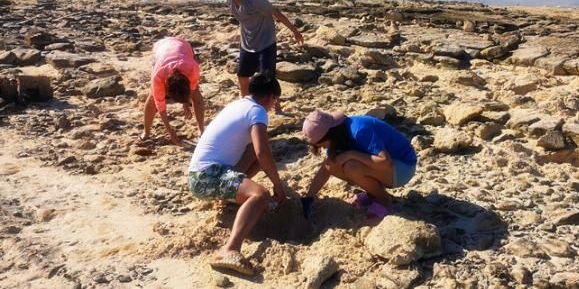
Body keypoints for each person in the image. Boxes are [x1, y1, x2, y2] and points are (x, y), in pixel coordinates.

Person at [187, 74, 287, 276]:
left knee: (252, 151)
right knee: (260, 195)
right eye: (274, 100)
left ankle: (231, 198)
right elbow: (263, 152)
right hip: (207, 177)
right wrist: (278, 185)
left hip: (200, 173)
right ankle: (230, 249)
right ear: (269, 97)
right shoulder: (257, 111)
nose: (272, 105)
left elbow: (256, 153)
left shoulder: (239, 105)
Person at [209, 0, 304, 112]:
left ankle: (276, 106)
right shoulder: (230, 0)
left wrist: (294, 31)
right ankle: (246, 106)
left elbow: (276, 13)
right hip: (247, 44)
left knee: (267, 79)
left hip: (266, 43)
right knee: (242, 76)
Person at [300, 110, 417, 223]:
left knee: (351, 167)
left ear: (329, 135)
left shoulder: (360, 130)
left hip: (404, 167)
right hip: (388, 168)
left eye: (322, 145)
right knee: (332, 163)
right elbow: (326, 168)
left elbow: (386, 162)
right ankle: (373, 194)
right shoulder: (339, 133)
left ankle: (384, 201)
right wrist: (308, 197)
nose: (323, 148)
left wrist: (351, 154)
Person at [142, 37, 204, 144]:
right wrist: (169, 130)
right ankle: (146, 132)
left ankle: (201, 130)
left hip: (183, 45)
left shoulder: (193, 68)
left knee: (197, 94)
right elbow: (160, 106)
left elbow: (193, 88)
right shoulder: (158, 77)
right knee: (152, 99)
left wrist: (186, 104)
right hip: (161, 47)